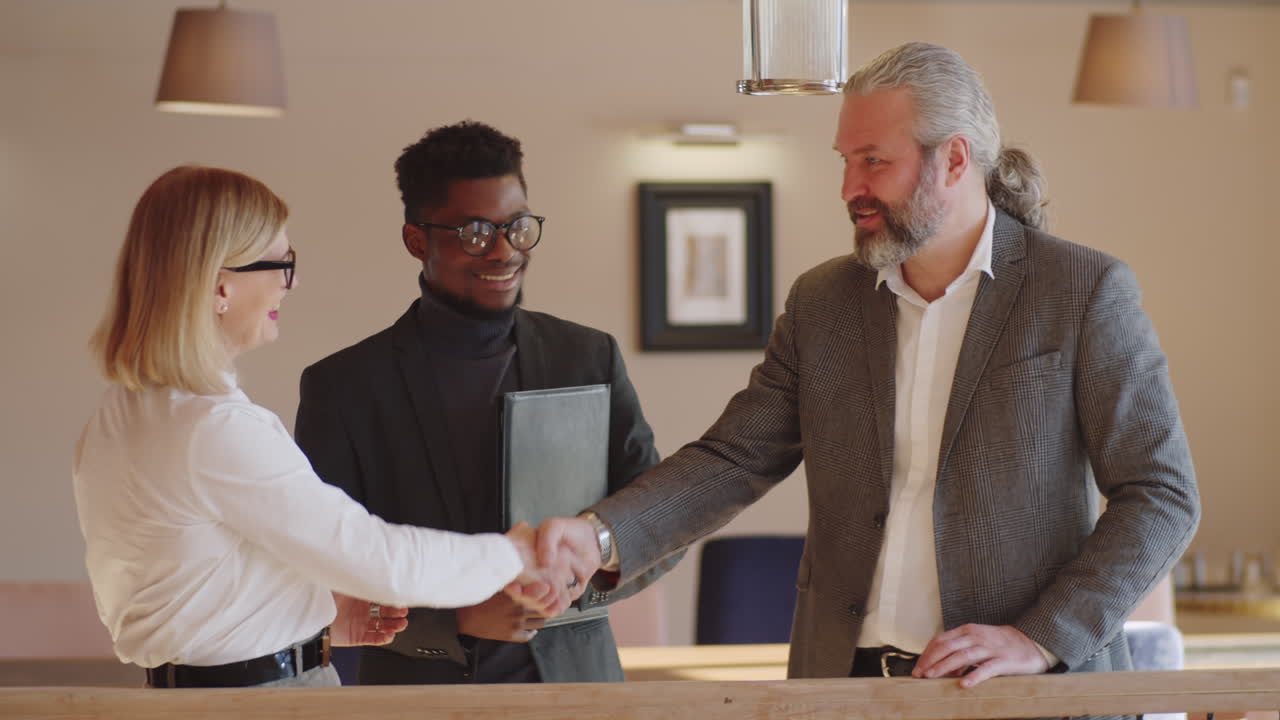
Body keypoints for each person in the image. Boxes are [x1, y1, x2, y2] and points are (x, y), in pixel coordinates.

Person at [539, 41, 1200, 690]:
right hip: (845, 688)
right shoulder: (820, 303)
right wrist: (598, 538)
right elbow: (732, 460)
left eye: (874, 161)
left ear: (954, 159)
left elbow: (1161, 494)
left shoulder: (1084, 292)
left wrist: (1040, 637)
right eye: (846, 160)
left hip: (1021, 693)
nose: (849, 188)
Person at [73, 165, 572, 690]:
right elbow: (381, 560)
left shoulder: (119, 416)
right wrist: (514, 554)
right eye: (280, 264)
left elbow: (179, 586)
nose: (291, 283)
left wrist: (307, 618)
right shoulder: (214, 430)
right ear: (221, 286)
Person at [294, 120, 681, 685]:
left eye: (518, 227)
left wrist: (577, 577)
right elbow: (323, 571)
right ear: (417, 241)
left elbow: (660, 520)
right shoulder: (344, 386)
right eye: (475, 233)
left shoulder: (587, 357)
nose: (504, 251)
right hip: (418, 698)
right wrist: (456, 619)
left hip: (581, 695)